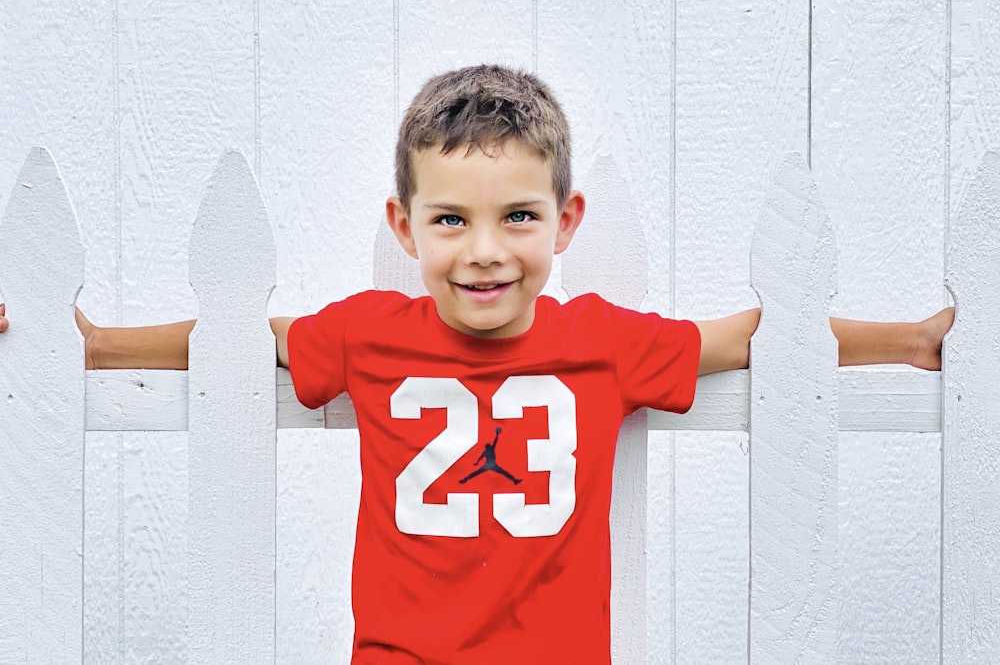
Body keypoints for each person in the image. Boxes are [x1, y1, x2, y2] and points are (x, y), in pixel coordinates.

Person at [0, 64, 953, 664]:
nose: (484, 250)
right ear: (403, 225)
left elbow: (754, 333)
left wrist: (909, 339)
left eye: (519, 218)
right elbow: (245, 333)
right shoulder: (370, 333)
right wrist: (89, 346)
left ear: (565, 222)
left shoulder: (604, 340)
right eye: (450, 219)